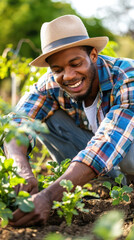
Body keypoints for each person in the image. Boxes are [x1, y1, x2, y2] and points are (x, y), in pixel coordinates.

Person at [4, 14, 134, 226]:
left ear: (93, 55)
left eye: (75, 63)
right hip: (105, 166)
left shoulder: (126, 75)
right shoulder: (51, 84)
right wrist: (21, 169)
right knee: (45, 119)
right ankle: (104, 184)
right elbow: (16, 124)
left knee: (128, 151)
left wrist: (49, 196)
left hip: (123, 151)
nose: (69, 75)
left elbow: (109, 142)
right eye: (58, 69)